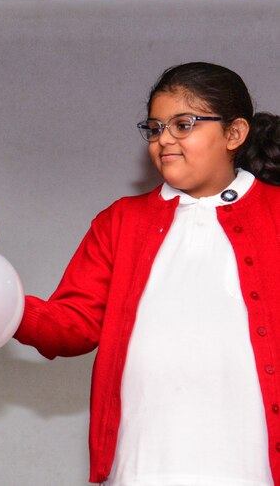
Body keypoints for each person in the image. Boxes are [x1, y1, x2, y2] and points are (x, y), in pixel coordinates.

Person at [15, 62, 280, 484]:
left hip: (249, 462)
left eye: (183, 124)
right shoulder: (121, 221)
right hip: (143, 458)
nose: (164, 140)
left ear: (234, 134)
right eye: (155, 128)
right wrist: (9, 309)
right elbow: (75, 324)